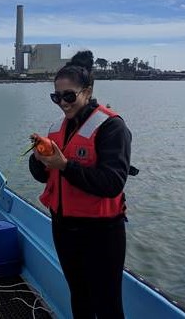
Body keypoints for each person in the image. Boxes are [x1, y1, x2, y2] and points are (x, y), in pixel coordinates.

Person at [29, 50, 134, 319]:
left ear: (87, 91)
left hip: (101, 234)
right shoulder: (56, 128)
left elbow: (112, 183)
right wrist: (39, 160)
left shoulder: (112, 128)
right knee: (79, 296)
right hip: (64, 228)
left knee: (108, 305)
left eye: (69, 96)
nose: (62, 103)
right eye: (57, 97)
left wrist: (65, 165)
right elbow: (44, 177)